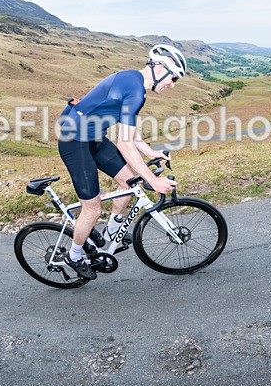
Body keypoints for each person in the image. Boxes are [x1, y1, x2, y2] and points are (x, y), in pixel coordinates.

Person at [57, 44, 187, 279]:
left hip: (95, 138)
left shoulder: (134, 83)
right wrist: (154, 181)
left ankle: (111, 234)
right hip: (74, 141)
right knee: (92, 209)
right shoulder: (136, 90)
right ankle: (73, 255)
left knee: (130, 184)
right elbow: (124, 144)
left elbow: (127, 129)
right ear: (160, 67)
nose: (173, 85)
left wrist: (149, 152)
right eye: (174, 78)